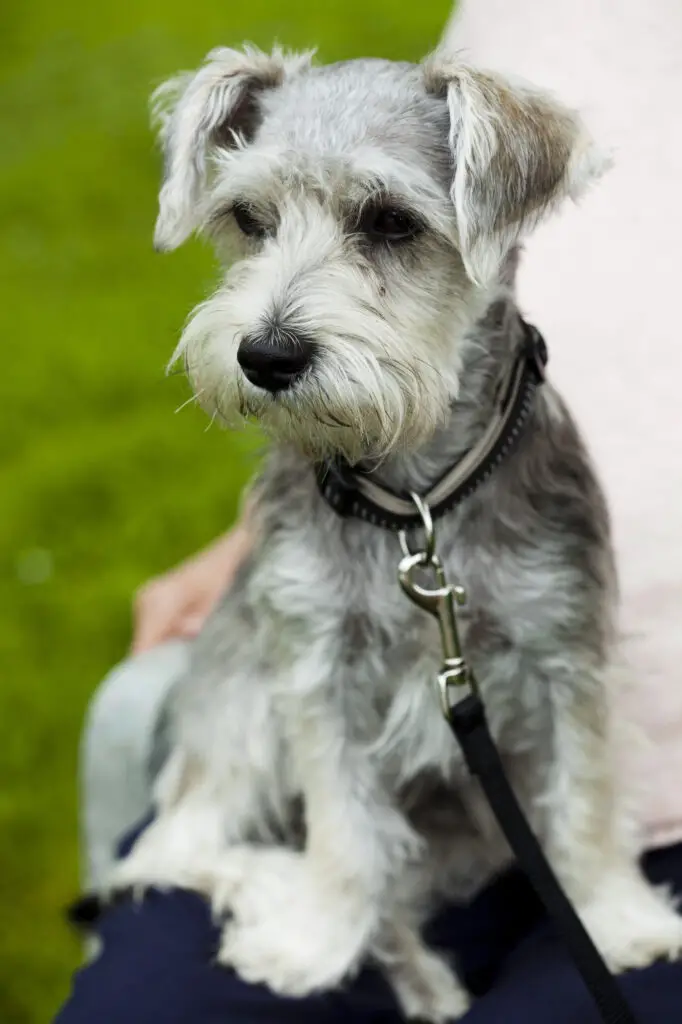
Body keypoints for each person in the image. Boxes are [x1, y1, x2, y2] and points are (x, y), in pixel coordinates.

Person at [56, 1, 682, 1021]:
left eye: (387, 226)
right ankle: (309, 878)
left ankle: (586, 879)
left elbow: (567, 678)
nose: (272, 324)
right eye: (251, 223)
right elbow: (319, 682)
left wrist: (595, 885)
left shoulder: (502, 141)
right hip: (361, 787)